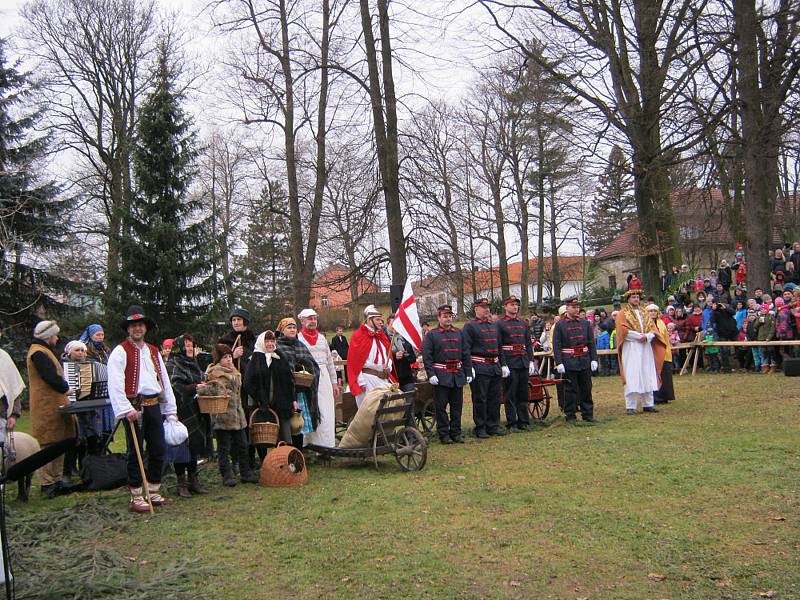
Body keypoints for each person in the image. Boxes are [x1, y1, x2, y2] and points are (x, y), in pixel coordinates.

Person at [107, 306, 178, 513]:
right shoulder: (120, 352)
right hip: (134, 408)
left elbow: (164, 381)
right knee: (135, 451)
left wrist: (170, 409)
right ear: (128, 329)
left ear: (145, 328)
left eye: (140, 325)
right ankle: (137, 495)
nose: (137, 329)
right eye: (133, 326)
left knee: (158, 448)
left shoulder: (154, 351)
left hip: (154, 405)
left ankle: (154, 490)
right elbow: (115, 383)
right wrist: (125, 408)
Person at [27, 320, 78, 498]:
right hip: (46, 406)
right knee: (48, 443)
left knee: (59, 440)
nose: (57, 338)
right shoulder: (39, 353)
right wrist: (66, 388)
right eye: (55, 335)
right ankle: (48, 483)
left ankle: (57, 479)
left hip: (54, 404)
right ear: (48, 336)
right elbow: (50, 377)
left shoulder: (44, 350)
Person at [166, 334, 209, 498]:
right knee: (181, 447)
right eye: (186, 346)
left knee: (194, 446)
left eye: (191, 345)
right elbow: (174, 387)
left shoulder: (194, 363)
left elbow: (201, 377)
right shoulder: (172, 364)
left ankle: (194, 481)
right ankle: (181, 483)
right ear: (180, 348)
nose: (190, 349)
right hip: (180, 411)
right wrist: (193, 388)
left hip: (196, 409)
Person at [208, 344, 258, 486]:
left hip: (237, 415)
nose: (229, 360)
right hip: (222, 417)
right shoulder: (215, 373)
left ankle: (246, 473)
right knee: (224, 447)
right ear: (219, 359)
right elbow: (212, 391)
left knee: (243, 445)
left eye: (230, 356)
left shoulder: (234, 372)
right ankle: (227, 475)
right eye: (225, 357)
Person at [422, 305, 472, 444]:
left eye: (450, 316)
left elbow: (465, 353)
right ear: (439, 318)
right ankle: (443, 433)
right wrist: (431, 374)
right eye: (445, 316)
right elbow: (427, 357)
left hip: (457, 375)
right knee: (441, 406)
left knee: (457, 406)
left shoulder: (459, 333)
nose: (448, 319)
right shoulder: (432, 335)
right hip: (441, 375)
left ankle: (456, 432)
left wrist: (468, 371)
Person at [614, 289, 666, 415]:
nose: (636, 299)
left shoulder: (644, 312)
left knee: (647, 373)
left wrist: (648, 336)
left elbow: (653, 329)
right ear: (628, 299)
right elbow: (622, 331)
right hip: (631, 347)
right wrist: (639, 336)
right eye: (633, 297)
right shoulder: (623, 313)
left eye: (637, 297)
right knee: (632, 374)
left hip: (645, 347)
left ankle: (648, 404)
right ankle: (630, 406)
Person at [244, 331, 297, 453]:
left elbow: (289, 380)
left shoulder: (279, 357)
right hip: (261, 405)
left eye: (272, 341)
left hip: (281, 403)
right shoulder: (255, 359)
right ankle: (265, 463)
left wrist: (293, 399)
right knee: (262, 437)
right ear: (262, 342)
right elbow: (248, 383)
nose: (270, 344)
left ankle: (283, 460)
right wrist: (259, 398)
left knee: (284, 435)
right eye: (267, 341)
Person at [219, 307, 257, 467]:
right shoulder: (226, 341)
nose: (236, 323)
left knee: (251, 420)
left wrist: (247, 353)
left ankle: (251, 457)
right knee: (235, 422)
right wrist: (233, 356)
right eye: (233, 320)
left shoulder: (253, 339)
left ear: (245, 322)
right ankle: (236, 460)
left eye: (239, 320)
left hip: (252, 385)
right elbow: (218, 362)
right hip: (234, 388)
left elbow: (258, 357)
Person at [551, 297, 598, 423]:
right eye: (573, 307)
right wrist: (559, 362)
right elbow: (557, 345)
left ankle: (588, 414)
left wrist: (594, 359)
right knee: (570, 389)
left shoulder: (585, 323)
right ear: (567, 308)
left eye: (577, 307)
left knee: (586, 388)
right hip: (569, 361)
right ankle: (570, 415)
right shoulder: (560, 325)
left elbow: (591, 343)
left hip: (584, 360)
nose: (576, 309)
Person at [463, 298, 505, 438]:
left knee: (495, 397)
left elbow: (499, 347)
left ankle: (493, 425)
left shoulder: (494, 326)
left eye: (487, 307)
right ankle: (480, 427)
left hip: (494, 366)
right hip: (479, 366)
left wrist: (503, 364)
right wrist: (469, 368)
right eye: (483, 307)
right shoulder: (470, 326)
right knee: (480, 398)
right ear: (476, 309)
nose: (486, 309)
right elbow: (466, 349)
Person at [275, 318, 320, 447]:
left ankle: (299, 453)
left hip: (300, 392)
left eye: (294, 327)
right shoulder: (277, 345)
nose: (292, 330)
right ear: (282, 330)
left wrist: (303, 368)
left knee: (298, 425)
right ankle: (286, 454)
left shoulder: (300, 345)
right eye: (289, 327)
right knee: (287, 426)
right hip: (285, 393)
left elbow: (313, 365)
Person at [297, 308, 339, 448]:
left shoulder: (322, 338)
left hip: (324, 378)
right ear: (302, 321)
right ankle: (310, 444)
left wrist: (334, 382)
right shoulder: (299, 338)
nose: (313, 321)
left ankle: (326, 444)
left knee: (326, 411)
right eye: (309, 319)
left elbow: (330, 362)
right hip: (307, 379)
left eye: (314, 318)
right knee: (311, 409)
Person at [497, 296, 536, 432]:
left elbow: (528, 343)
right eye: (512, 305)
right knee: (510, 394)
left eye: (516, 305)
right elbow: (499, 346)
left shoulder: (522, 323)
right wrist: (503, 364)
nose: (515, 307)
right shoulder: (500, 324)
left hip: (522, 361)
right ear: (505, 307)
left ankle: (523, 421)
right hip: (510, 361)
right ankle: (512, 422)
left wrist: (531, 360)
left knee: (523, 393)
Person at [346, 305, 396, 408]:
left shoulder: (381, 335)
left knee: (389, 408)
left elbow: (387, 354)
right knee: (371, 411)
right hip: (367, 379)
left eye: (380, 319)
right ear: (369, 320)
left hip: (383, 378)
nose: (380, 322)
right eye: (377, 319)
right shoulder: (358, 336)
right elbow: (354, 361)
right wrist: (360, 381)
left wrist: (388, 367)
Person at [647, 305, 675, 404]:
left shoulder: (661, 322)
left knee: (665, 374)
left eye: (655, 311)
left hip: (664, 351)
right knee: (654, 374)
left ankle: (665, 396)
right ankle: (656, 397)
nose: (653, 313)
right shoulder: (646, 323)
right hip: (652, 353)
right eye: (650, 311)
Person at [387, 314, 417, 393]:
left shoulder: (405, 339)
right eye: (393, 325)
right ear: (387, 325)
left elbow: (413, 358)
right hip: (391, 378)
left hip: (406, 377)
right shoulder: (384, 338)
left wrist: (404, 356)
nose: (395, 328)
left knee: (410, 400)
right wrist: (394, 356)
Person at [710, 300, 738, 372]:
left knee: (738, 348)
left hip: (733, 332)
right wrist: (714, 310)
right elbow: (712, 320)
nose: (719, 306)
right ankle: (726, 367)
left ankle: (741, 365)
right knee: (724, 350)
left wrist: (725, 308)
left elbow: (733, 312)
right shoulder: (715, 313)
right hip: (722, 334)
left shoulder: (728, 310)